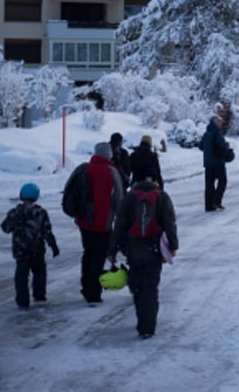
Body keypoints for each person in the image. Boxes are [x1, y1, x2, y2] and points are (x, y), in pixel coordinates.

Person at [108, 176, 178, 339]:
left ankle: (141, 322)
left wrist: (112, 250)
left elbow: (120, 226)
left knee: (137, 287)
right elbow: (170, 222)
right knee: (151, 288)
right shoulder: (162, 197)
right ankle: (148, 327)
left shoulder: (130, 198)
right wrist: (173, 245)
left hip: (133, 249)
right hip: (154, 250)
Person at [66, 142, 124, 305]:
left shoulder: (84, 169)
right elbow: (118, 200)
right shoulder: (112, 171)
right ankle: (93, 292)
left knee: (88, 252)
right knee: (98, 256)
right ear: (109, 155)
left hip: (84, 221)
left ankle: (86, 287)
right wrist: (122, 221)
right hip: (103, 222)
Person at [0, 182, 59, 309]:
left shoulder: (14, 212)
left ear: (21, 196)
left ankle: (22, 300)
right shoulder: (41, 212)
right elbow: (47, 231)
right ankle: (39, 295)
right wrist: (53, 245)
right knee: (39, 273)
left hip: (20, 250)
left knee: (21, 276)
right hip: (37, 249)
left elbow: (5, 228)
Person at [201, 113, 230, 211]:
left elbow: (200, 146)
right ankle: (216, 201)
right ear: (215, 122)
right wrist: (227, 146)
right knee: (223, 181)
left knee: (209, 184)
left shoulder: (206, 133)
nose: (221, 124)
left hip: (208, 163)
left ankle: (209, 205)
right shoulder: (217, 133)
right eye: (219, 122)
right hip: (218, 162)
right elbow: (222, 146)